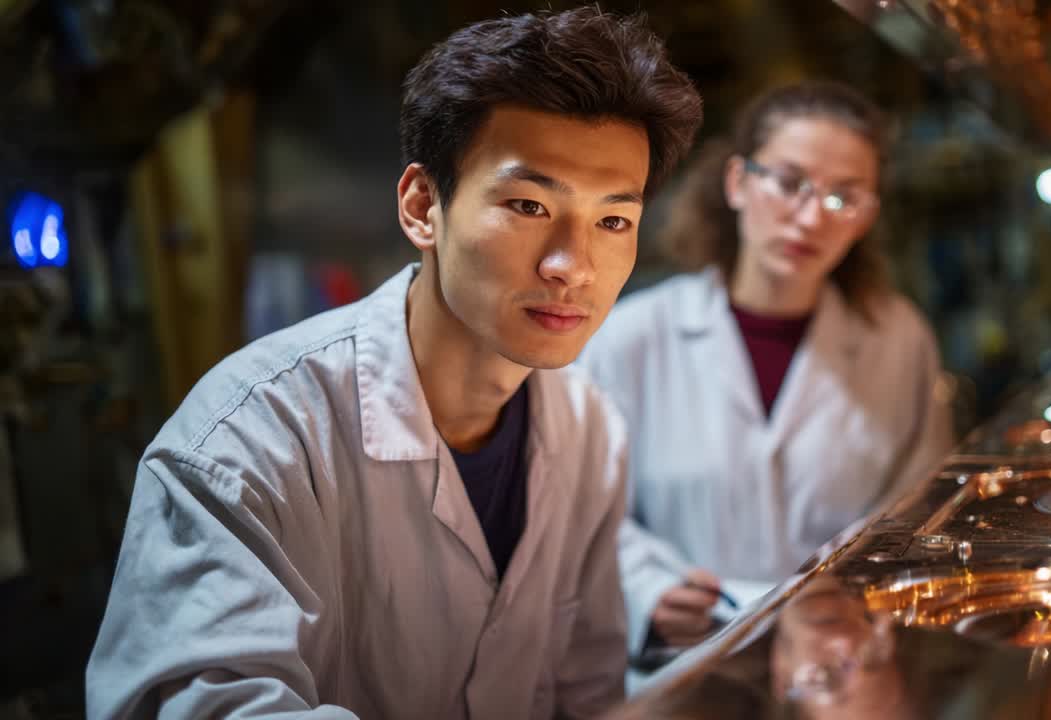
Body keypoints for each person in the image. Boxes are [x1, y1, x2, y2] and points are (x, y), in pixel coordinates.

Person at [85, 8, 701, 719]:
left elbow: (587, 693)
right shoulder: (248, 444)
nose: (573, 266)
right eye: (529, 205)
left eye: (613, 221)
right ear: (421, 206)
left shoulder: (590, 428)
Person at [577, 81, 951, 657]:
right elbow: (582, 511)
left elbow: (924, 506)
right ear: (738, 182)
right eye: (788, 182)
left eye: (842, 198)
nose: (809, 218)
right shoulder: (629, 336)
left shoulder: (898, 338)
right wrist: (648, 593)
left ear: (866, 216)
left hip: (844, 659)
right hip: (687, 661)